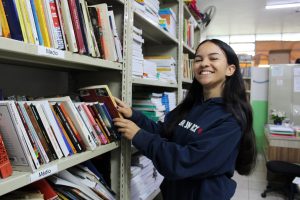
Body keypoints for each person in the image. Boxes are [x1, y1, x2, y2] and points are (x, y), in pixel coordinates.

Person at [113, 39, 257, 200]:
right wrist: (134, 116)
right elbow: (164, 132)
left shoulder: (231, 119)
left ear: (230, 69)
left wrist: (140, 136)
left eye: (213, 58)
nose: (204, 64)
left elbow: (185, 161)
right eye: (198, 59)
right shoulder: (191, 106)